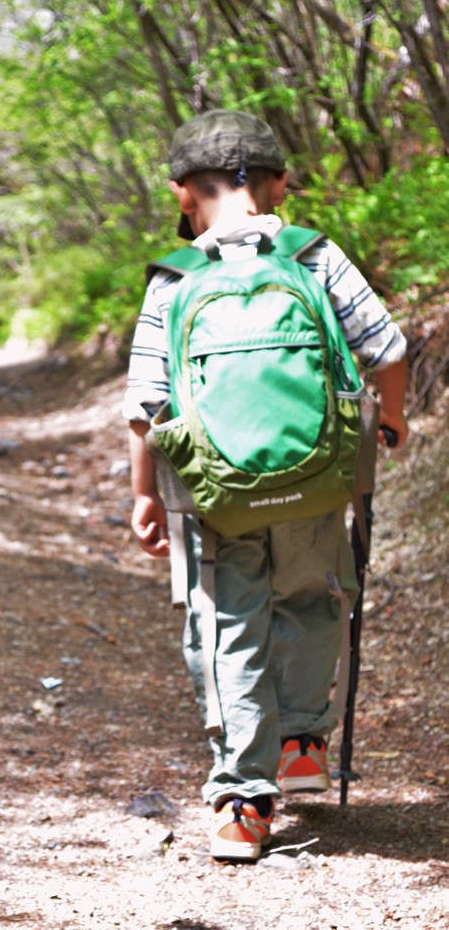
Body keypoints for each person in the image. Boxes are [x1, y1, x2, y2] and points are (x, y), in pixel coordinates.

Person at [123, 109, 409, 861]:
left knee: (226, 621)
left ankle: (242, 800)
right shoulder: (315, 256)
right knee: (313, 595)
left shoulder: (176, 278)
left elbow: (147, 404)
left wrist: (145, 495)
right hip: (316, 477)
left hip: (211, 490)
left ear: (183, 193)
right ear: (280, 183)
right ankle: (303, 743)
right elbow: (385, 346)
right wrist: (393, 423)